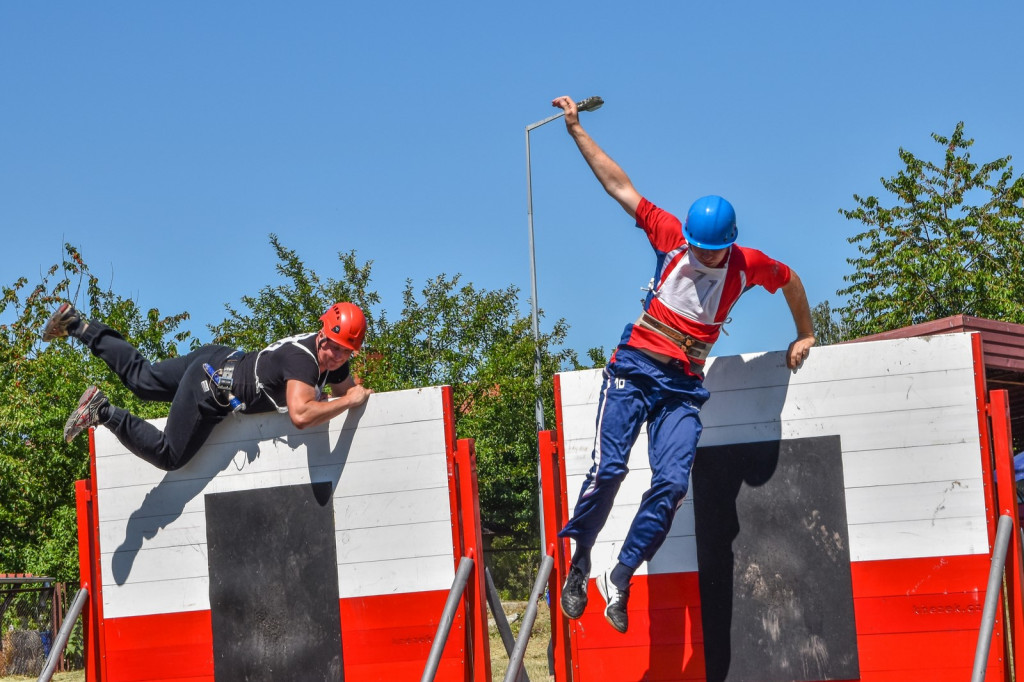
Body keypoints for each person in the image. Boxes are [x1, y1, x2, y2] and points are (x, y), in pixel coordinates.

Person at [550, 95, 816, 634]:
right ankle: (579, 562)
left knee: (671, 484)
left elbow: (791, 281)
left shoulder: (748, 265)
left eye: (710, 252)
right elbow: (618, 186)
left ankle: (619, 577)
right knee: (610, 468)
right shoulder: (671, 236)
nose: (700, 256)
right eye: (695, 247)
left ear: (729, 245)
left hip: (683, 387)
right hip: (635, 368)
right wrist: (576, 129)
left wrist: (805, 332)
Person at [42, 301, 373, 471]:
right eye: (333, 346)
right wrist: (347, 401)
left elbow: (345, 389)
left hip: (215, 359)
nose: (337, 357)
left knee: (142, 381)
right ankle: (103, 411)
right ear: (322, 334)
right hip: (210, 387)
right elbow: (301, 414)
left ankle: (76, 324)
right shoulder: (303, 360)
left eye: (346, 352)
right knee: (169, 456)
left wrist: (349, 393)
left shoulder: (331, 361)